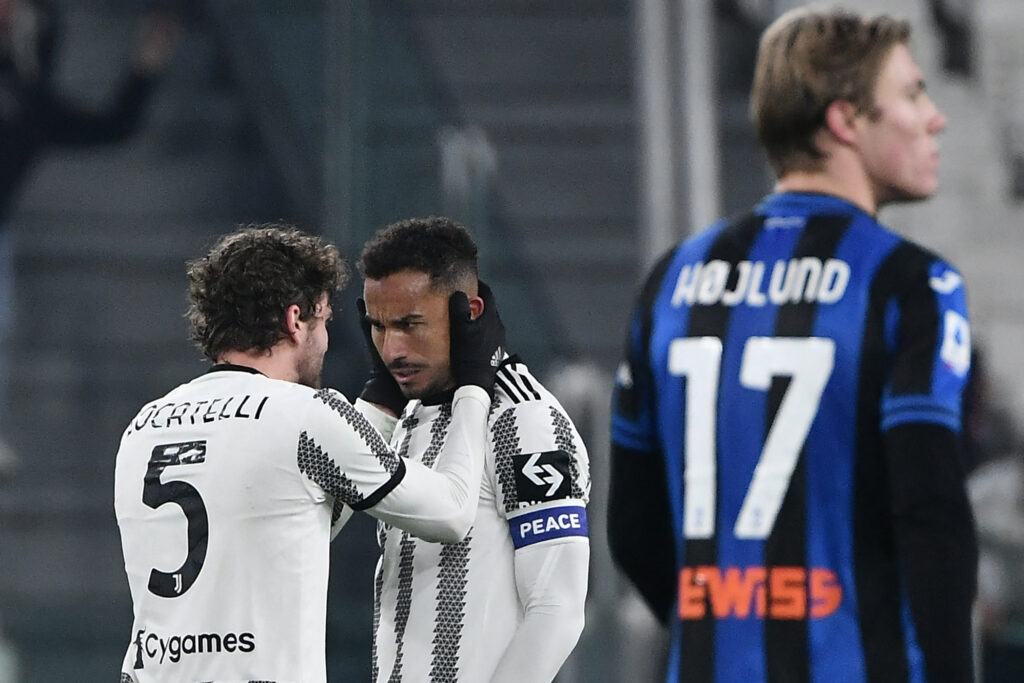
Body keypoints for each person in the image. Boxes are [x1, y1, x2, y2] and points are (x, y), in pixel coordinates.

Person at [609, 6, 977, 683]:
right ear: (845, 121)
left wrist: (720, 624)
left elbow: (632, 527)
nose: (935, 118)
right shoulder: (911, 284)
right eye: (912, 94)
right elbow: (930, 512)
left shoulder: (672, 280)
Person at [113, 222, 504, 682]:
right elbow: (451, 512)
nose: (325, 340)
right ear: (294, 320)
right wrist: (474, 385)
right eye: (323, 321)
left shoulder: (143, 426)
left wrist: (380, 398)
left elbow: (299, 516)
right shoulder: (304, 415)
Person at [357, 216, 590, 683]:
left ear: (470, 311)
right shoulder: (409, 415)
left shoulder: (522, 417)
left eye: (410, 324)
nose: (392, 349)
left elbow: (557, 610)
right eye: (378, 327)